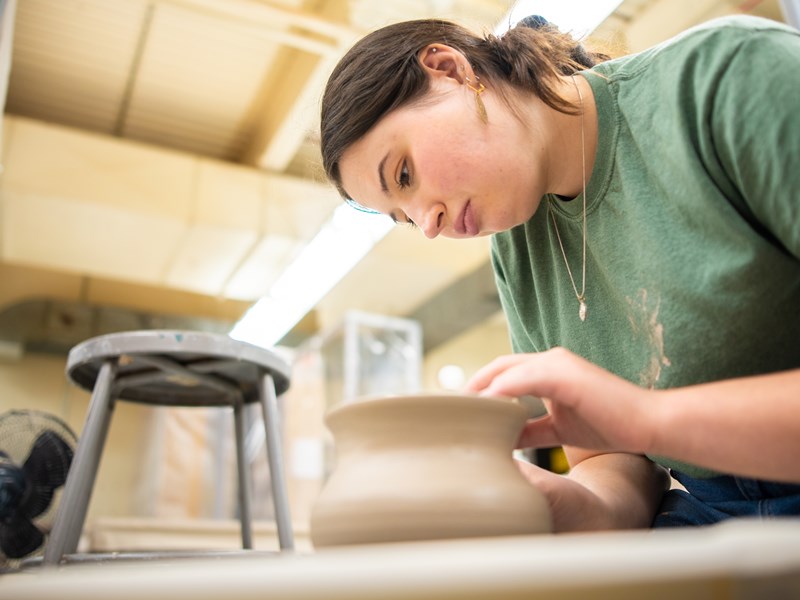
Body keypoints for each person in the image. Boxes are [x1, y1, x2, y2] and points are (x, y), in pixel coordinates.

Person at [319, 13, 800, 531]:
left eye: (405, 174)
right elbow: (605, 459)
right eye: (404, 219)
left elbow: (634, 427)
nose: (428, 223)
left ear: (451, 70)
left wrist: (645, 419)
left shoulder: (728, 78)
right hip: (716, 512)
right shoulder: (517, 248)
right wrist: (569, 503)